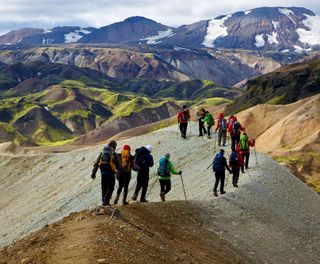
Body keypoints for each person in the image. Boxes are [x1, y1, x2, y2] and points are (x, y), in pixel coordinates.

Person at [91, 140, 122, 206]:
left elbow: (96, 164)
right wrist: (118, 173)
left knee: (104, 187)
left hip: (103, 173)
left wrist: (93, 173)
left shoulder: (102, 153)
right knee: (110, 187)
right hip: (111, 173)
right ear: (114, 146)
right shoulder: (114, 154)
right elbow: (119, 166)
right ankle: (106, 201)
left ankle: (104, 202)